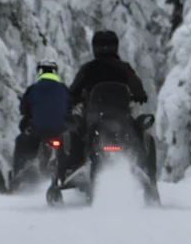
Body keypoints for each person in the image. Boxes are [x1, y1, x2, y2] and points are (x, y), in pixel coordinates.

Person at [64, 30, 158, 185]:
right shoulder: (123, 67)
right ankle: (148, 176)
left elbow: (73, 91)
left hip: (94, 117)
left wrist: (72, 100)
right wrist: (139, 95)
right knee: (141, 135)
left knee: (75, 134)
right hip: (121, 117)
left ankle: (69, 170)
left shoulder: (88, 69)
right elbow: (137, 87)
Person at [12, 62, 71, 183]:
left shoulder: (33, 89)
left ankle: (19, 175)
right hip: (61, 130)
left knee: (22, 141)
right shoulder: (64, 89)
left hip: (38, 131)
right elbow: (71, 105)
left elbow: (23, 109)